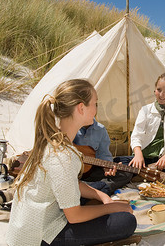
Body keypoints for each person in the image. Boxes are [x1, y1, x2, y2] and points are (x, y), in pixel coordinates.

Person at [7, 79, 137, 246]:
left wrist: (102, 196)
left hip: (30, 223)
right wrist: (111, 208)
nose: (96, 109)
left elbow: (70, 183)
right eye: (95, 104)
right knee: (126, 221)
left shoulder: (52, 140)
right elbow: (74, 216)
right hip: (40, 236)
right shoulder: (63, 157)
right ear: (81, 108)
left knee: (97, 190)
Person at [114, 72, 165, 175]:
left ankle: (142, 172)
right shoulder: (145, 110)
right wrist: (138, 154)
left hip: (161, 160)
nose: (162, 95)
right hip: (143, 158)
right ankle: (151, 171)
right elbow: (136, 135)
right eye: (159, 90)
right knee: (115, 162)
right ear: (155, 89)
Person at [73, 119, 132, 195]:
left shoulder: (100, 129)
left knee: (126, 173)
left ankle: (88, 189)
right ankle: (94, 190)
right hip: (71, 173)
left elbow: (104, 154)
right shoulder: (69, 125)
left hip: (91, 171)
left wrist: (107, 167)